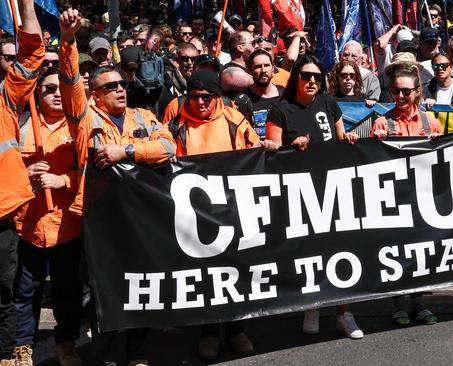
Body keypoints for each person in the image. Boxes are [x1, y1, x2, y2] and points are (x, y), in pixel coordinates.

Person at [57, 9, 175, 365]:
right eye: (111, 87)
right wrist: (66, 41)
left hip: (139, 219)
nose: (120, 89)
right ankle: (107, 354)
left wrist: (125, 150)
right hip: (99, 219)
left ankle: (137, 354)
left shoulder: (143, 117)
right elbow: (70, 84)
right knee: (103, 290)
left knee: (140, 286)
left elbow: (168, 147)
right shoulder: (85, 118)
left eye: (122, 84)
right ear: (95, 94)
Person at [166, 70, 277, 360]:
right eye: (194, 97)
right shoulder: (176, 126)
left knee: (235, 271)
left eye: (207, 96)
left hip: (232, 209)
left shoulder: (234, 120)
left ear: (217, 96)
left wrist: (265, 147)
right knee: (205, 276)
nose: (200, 102)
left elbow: (253, 152)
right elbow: (163, 159)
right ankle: (209, 333)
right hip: (195, 216)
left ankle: (237, 330)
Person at [266, 55, 363, 339]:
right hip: (301, 192)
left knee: (343, 247)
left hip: (334, 186)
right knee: (311, 252)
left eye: (317, 77)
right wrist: (289, 146)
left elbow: (341, 138)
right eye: (306, 76)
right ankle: (314, 305)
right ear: (295, 77)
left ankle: (345, 313)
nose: (312, 81)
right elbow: (273, 151)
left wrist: (350, 141)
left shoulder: (328, 103)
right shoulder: (280, 110)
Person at [12, 66, 84, 366]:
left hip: (67, 225)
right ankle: (21, 347)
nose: (56, 93)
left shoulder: (80, 125)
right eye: (48, 89)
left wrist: (63, 180)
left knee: (68, 292)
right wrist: (24, 173)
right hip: (27, 225)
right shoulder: (21, 125)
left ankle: (66, 345)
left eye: (59, 88)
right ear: (36, 94)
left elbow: (93, 172)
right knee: (25, 291)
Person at [370, 60, 441, 326]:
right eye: (396, 91)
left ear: (417, 92)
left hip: (422, 198)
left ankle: (419, 301)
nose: (400, 96)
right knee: (395, 253)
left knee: (419, 253)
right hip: (393, 200)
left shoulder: (430, 122)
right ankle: (399, 302)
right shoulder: (381, 123)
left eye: (406, 91)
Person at [0, 0, 43, 364]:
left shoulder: (5, 97)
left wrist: (26, 4)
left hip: (2, 217)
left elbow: (31, 54)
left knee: (4, 296)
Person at [245, 49, 284, 139]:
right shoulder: (243, 100)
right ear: (249, 70)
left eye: (266, 65)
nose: (263, 70)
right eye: (258, 66)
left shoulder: (285, 95)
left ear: (273, 68)